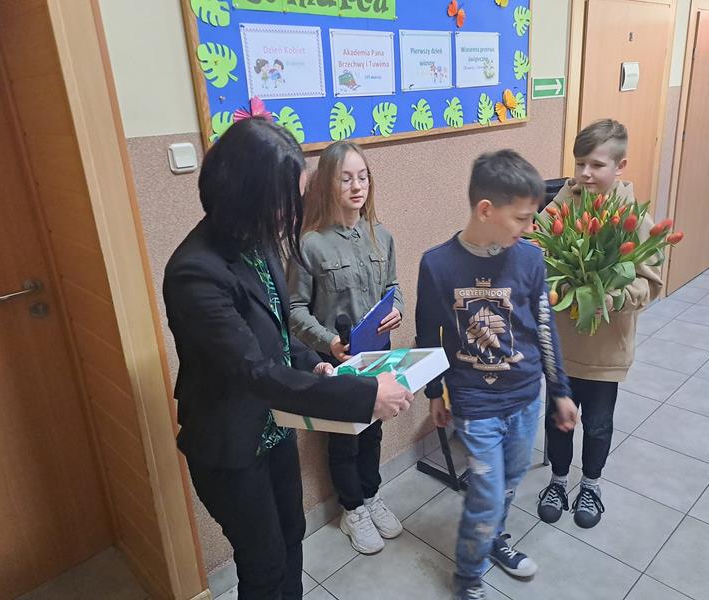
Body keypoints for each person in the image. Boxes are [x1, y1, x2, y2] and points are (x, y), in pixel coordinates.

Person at [162, 118, 413, 600]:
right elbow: (254, 372)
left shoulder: (256, 244)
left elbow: (278, 331)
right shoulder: (195, 273)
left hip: (274, 430)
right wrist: (363, 395)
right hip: (232, 446)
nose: (291, 211)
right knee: (263, 565)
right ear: (247, 194)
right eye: (284, 199)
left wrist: (311, 362)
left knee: (291, 537)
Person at [415, 150, 578, 600]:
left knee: (508, 482)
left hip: (526, 397)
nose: (529, 227)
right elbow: (429, 335)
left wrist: (560, 390)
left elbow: (543, 327)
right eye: (522, 218)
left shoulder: (529, 260)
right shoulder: (437, 264)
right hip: (475, 400)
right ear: (486, 210)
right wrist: (435, 392)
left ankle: (493, 539)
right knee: (486, 492)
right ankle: (468, 577)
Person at [537, 119, 663, 529]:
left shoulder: (633, 216)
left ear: (620, 166)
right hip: (563, 344)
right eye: (580, 164)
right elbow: (537, 249)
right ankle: (558, 481)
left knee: (597, 424)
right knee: (558, 418)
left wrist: (613, 298)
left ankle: (591, 485)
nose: (585, 174)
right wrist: (556, 283)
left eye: (596, 165)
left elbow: (650, 283)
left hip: (606, 348)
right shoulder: (563, 204)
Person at [287, 141, 404, 555]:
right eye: (346, 179)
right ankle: (351, 509)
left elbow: (393, 287)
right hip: (335, 359)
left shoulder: (381, 236)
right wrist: (328, 342)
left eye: (363, 177)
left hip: (378, 354)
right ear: (327, 185)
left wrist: (398, 309)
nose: (357, 187)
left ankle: (371, 495)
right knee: (344, 438)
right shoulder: (309, 244)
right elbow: (294, 310)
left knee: (373, 430)